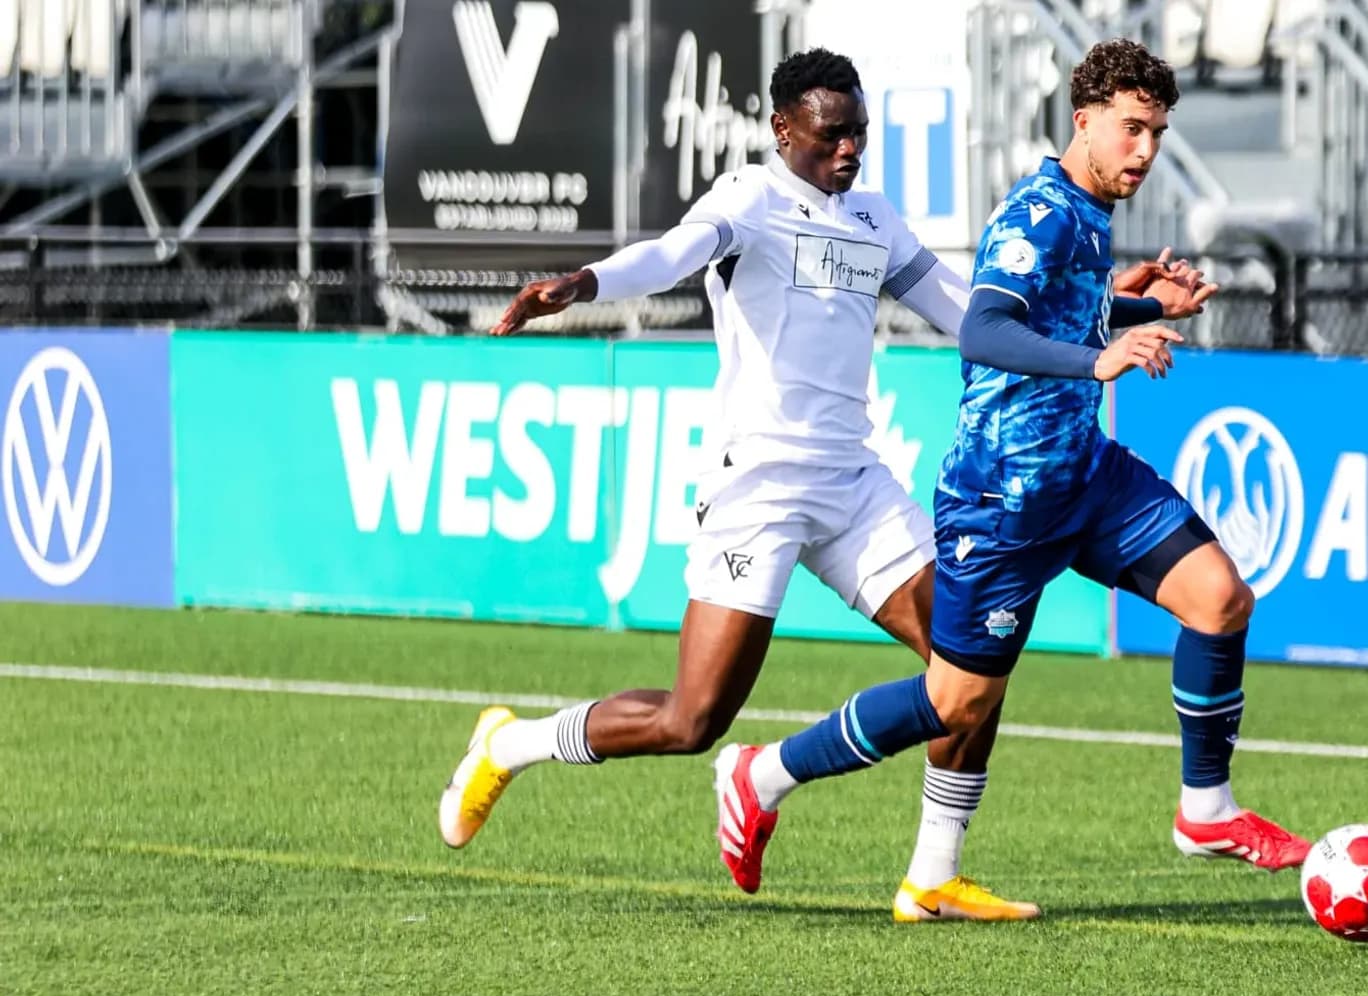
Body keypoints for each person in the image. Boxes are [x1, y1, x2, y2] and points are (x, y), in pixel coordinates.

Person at [437, 48, 1203, 923]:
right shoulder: (748, 200)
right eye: (831, 134)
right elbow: (670, 254)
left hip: (852, 480)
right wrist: (584, 283)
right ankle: (513, 742)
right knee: (694, 722)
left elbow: (969, 311)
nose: (848, 151)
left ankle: (932, 876)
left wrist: (1123, 303)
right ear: (783, 130)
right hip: (757, 487)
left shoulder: (875, 218)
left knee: (967, 672)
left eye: (859, 135)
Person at [709, 39, 1314, 915]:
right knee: (955, 702)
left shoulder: (1090, 209)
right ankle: (764, 774)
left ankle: (1206, 809)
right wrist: (1100, 357)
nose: (1145, 151)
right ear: (1085, 120)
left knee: (1220, 599)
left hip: (1083, 473)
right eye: (1132, 129)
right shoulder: (1040, 213)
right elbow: (985, 331)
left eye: (1158, 133)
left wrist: (1142, 304)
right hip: (1001, 498)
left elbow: (1061, 305)